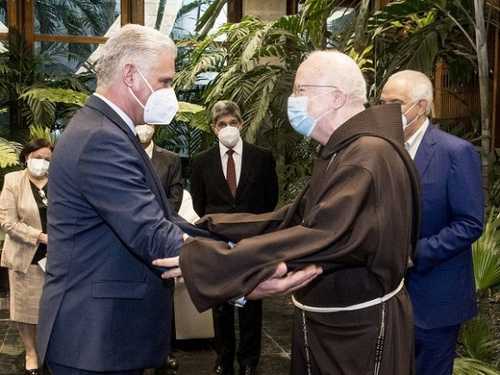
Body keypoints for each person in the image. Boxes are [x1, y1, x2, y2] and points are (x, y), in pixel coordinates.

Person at [168, 50, 421, 375]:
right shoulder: (346, 151)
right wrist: (207, 227)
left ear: (336, 97)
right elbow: (293, 217)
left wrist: (209, 262)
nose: (293, 100)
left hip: (357, 333)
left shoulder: (367, 156)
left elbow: (324, 235)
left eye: (301, 90)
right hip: (332, 323)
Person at [36, 24, 208, 375]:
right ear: (130, 75)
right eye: (165, 81)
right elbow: (153, 235)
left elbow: (163, 219)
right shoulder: (101, 138)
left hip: (104, 339)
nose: (169, 92)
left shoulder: (106, 129)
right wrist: (247, 265)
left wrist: (232, 238)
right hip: (94, 344)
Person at [380, 70, 484, 375]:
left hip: (436, 299)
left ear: (422, 106)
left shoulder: (456, 152)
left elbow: (470, 222)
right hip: (386, 296)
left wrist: (416, 253)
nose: (386, 110)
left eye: (395, 103)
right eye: (382, 102)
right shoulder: (382, 150)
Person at [190, 100, 279, 375]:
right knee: (221, 303)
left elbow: (270, 198)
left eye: (232, 123)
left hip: (252, 239)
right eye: (221, 124)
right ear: (213, 128)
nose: (227, 128)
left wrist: (252, 227)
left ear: (241, 124)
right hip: (217, 239)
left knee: (253, 299)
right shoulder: (200, 161)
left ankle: (250, 361)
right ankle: (224, 358)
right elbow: (199, 203)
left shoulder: (262, 157)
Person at [0, 138, 52, 375]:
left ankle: (51, 350)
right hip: (26, 256)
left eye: (48, 159)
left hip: (58, 258)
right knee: (25, 310)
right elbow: (8, 222)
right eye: (38, 157)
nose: (42, 163)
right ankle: (31, 352)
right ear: (27, 158)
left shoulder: (59, 181)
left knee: (51, 308)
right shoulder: (13, 181)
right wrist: (40, 236)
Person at [136, 124, 183, 212]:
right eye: (140, 123)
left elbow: (175, 198)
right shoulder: (122, 155)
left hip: (161, 221)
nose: (144, 127)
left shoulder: (171, 159)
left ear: (155, 126)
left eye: (149, 123)